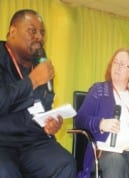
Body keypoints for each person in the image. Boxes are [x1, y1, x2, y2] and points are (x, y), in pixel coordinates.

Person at [0, 9, 76, 178]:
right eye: (32, 31)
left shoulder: (41, 63)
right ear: (13, 31)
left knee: (64, 164)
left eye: (42, 32)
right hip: (3, 142)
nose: (39, 37)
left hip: (32, 141)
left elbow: (43, 105)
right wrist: (32, 81)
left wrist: (49, 125)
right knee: (5, 172)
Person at [75, 48, 129, 178]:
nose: (117, 66)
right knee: (116, 162)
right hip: (107, 152)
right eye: (115, 62)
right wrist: (100, 123)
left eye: (122, 64)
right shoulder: (99, 90)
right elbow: (80, 119)